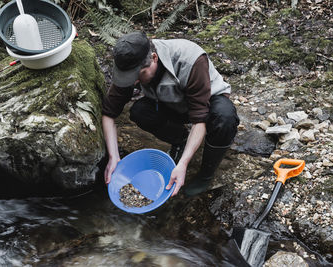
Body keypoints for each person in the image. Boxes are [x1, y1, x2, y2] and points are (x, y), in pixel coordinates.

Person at [102, 32, 239, 196]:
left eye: (139, 75)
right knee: (140, 111)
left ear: (154, 58)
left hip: (208, 102)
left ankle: (205, 175)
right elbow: (109, 113)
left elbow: (199, 120)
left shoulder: (190, 59)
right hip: (171, 103)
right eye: (129, 78)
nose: (134, 81)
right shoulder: (130, 63)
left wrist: (183, 164)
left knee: (225, 118)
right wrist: (114, 157)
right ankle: (180, 140)